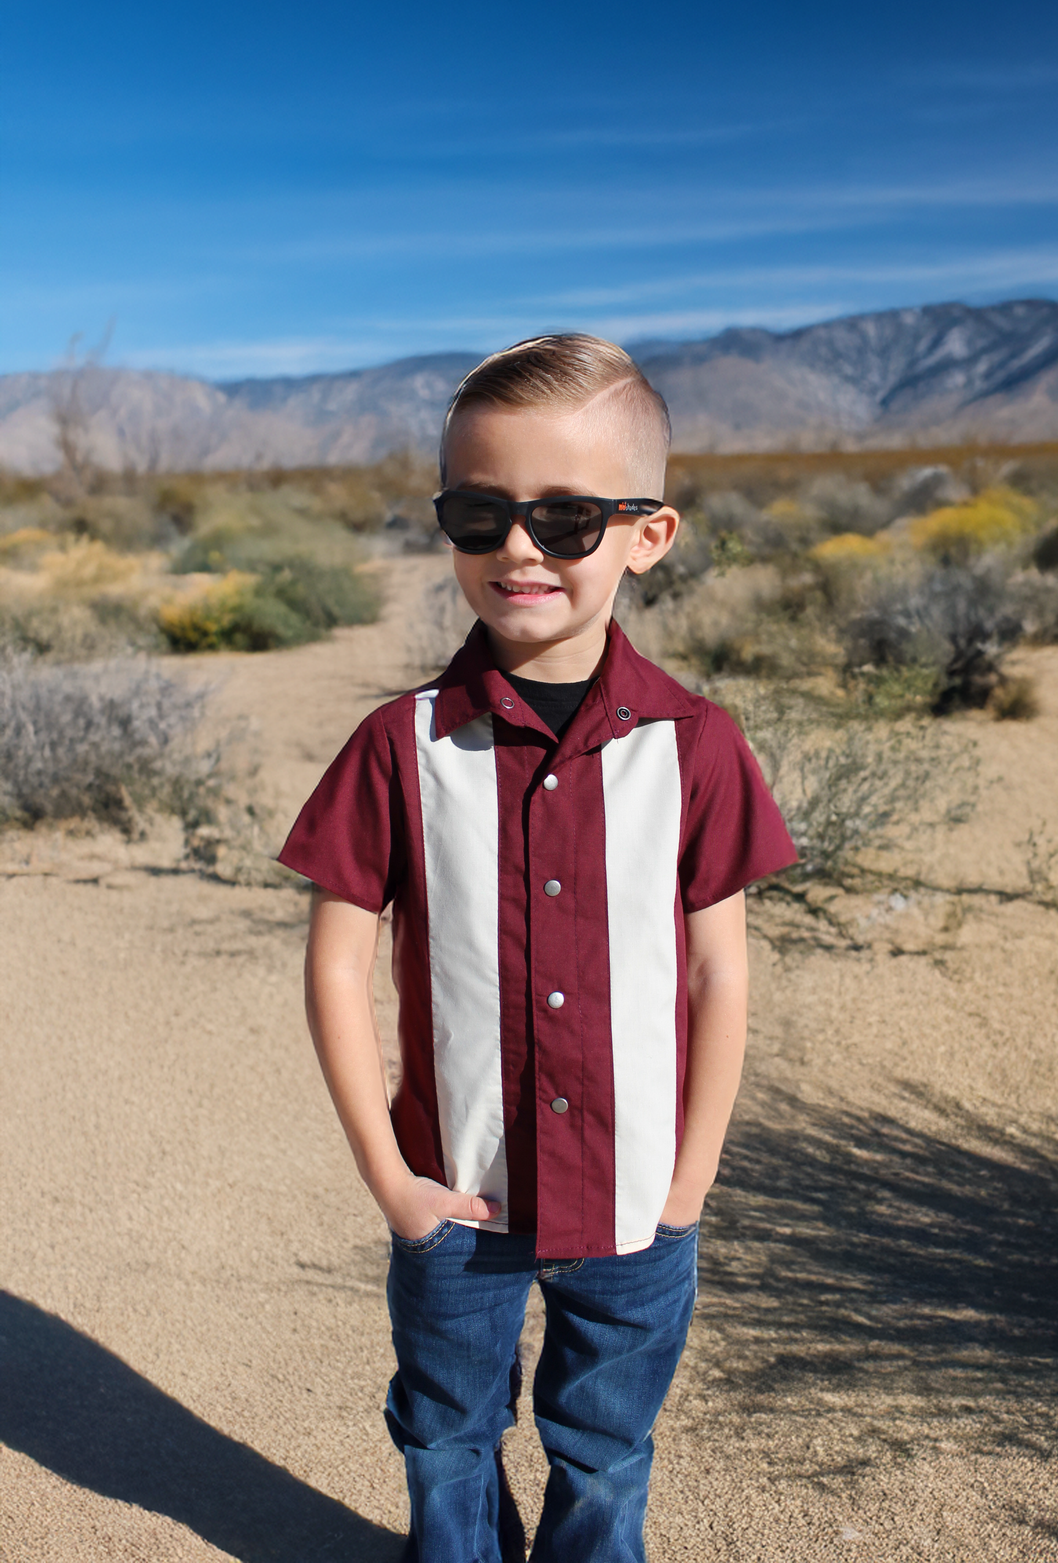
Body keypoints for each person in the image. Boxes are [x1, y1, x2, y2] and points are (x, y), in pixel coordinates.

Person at [278, 334, 797, 1562]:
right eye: (479, 513)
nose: (519, 549)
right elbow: (335, 968)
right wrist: (388, 1181)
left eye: (567, 518)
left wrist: (689, 1181)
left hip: (638, 1201)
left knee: (605, 1444)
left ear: (646, 536)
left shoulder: (697, 746)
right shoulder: (395, 747)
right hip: (453, 1198)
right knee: (444, 1430)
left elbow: (721, 970)